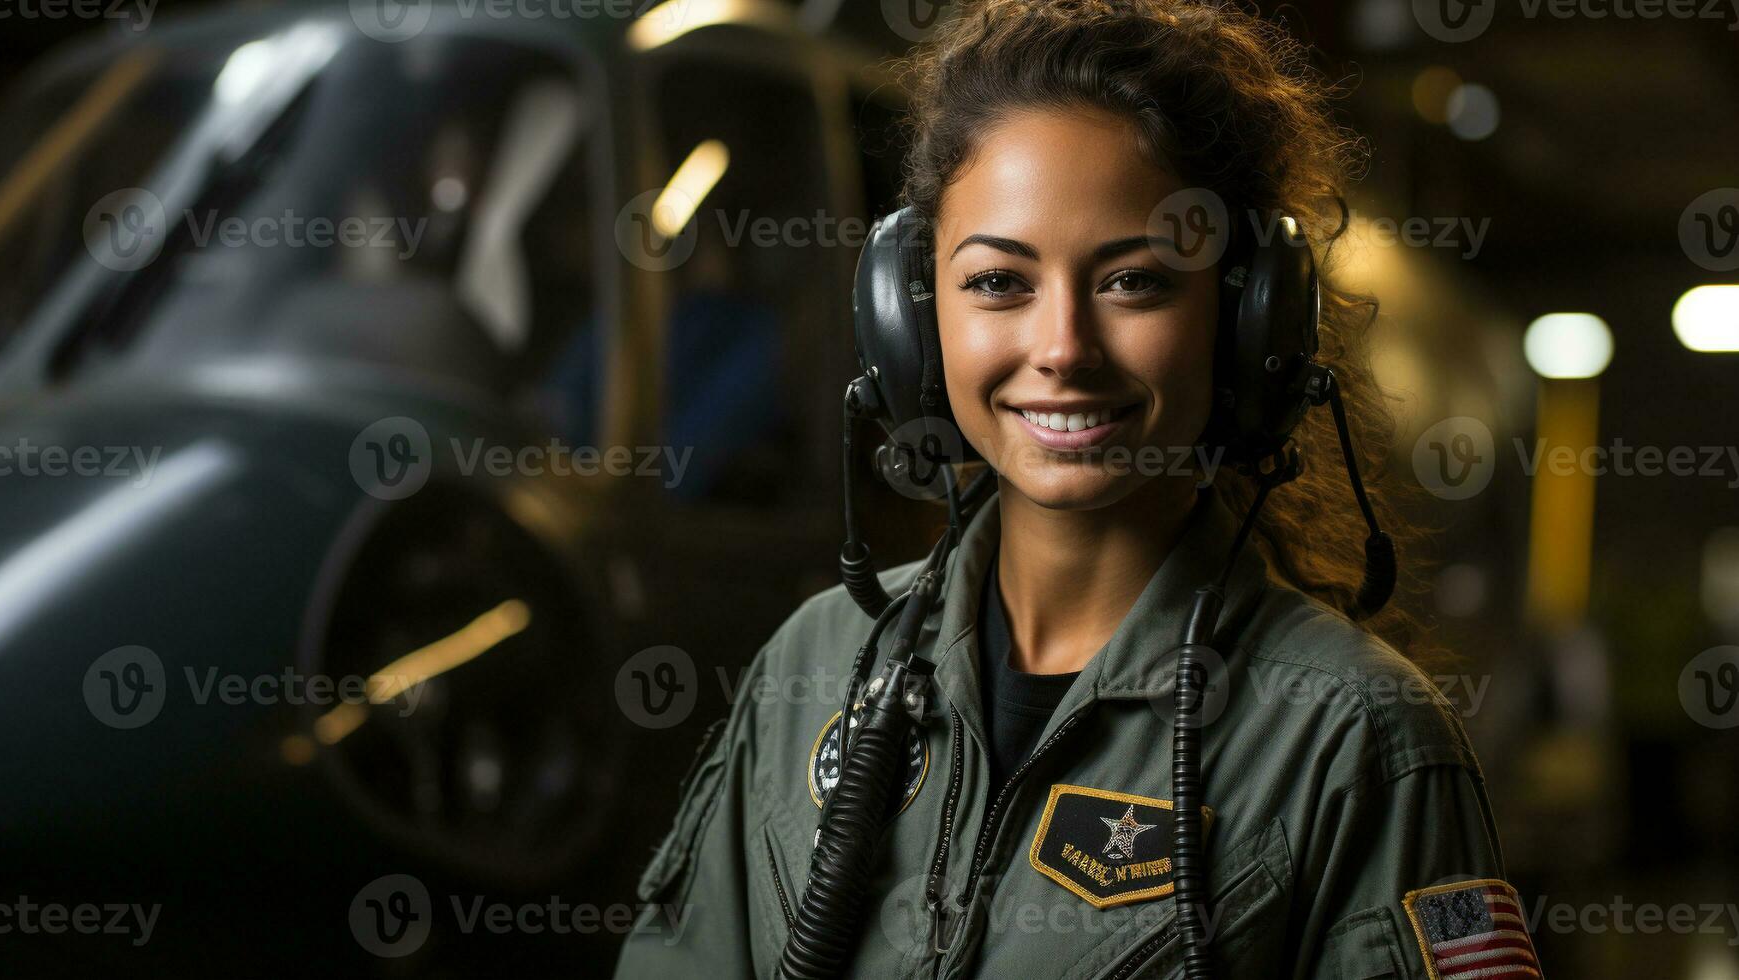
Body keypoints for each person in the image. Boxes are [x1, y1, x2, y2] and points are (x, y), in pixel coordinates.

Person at [614, 1, 1542, 977]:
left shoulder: (1352, 737)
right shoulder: (814, 667)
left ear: (1248, 323)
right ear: (910, 317)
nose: (1061, 347)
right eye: (998, 283)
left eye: (1133, 281)